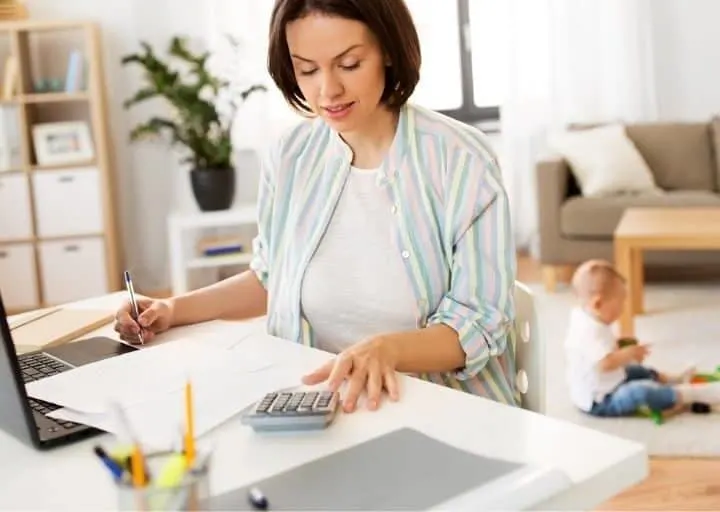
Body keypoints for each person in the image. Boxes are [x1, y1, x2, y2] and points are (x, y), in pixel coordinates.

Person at [114, 0, 519, 413]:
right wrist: (172, 309)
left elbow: (480, 324)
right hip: (324, 407)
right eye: (307, 69)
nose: (327, 90)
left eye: (349, 64)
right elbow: (272, 279)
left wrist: (387, 350)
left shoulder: (460, 159)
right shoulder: (291, 157)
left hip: (446, 410)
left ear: (389, 52)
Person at [565, 259, 720, 419]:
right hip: (602, 400)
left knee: (637, 371)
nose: (623, 308)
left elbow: (595, 351)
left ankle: (672, 379)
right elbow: (604, 364)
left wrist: (617, 345)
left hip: (611, 381)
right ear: (598, 304)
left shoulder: (585, 316)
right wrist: (628, 354)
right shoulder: (590, 330)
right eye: (620, 302)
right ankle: (687, 394)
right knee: (640, 391)